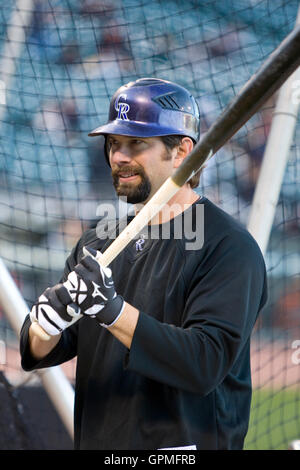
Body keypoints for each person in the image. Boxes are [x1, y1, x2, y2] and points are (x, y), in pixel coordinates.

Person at [20, 78, 268, 450]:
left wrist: (113, 311)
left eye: (137, 144)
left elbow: (205, 362)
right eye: (114, 144)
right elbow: (37, 350)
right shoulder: (96, 242)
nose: (119, 156)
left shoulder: (228, 245)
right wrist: (45, 325)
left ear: (182, 151)